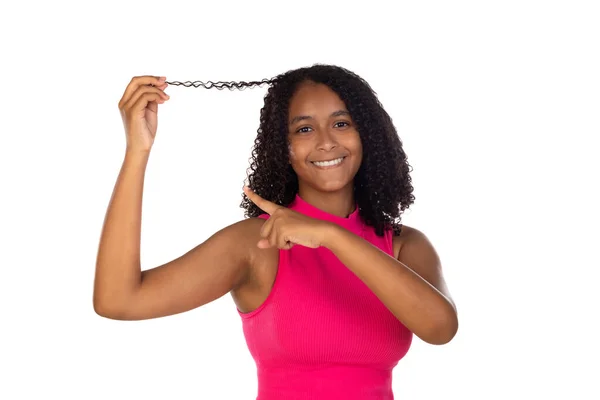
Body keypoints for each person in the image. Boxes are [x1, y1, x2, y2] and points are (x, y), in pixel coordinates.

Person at [93, 64, 458, 399]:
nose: (325, 141)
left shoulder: (403, 246)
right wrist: (137, 151)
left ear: (368, 136)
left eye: (342, 123)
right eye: (303, 129)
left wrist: (331, 236)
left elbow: (440, 328)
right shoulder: (258, 243)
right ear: (282, 148)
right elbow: (118, 300)